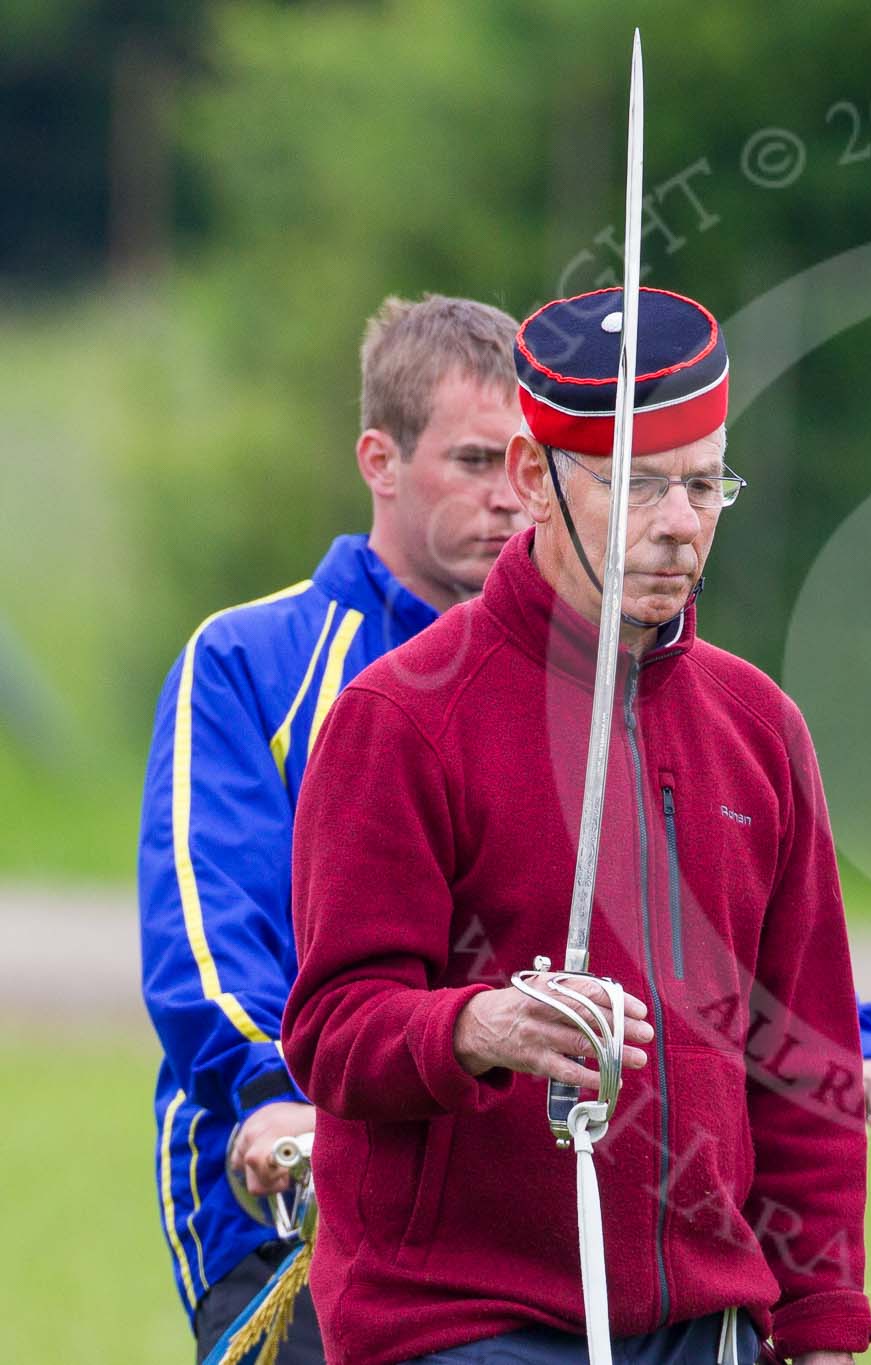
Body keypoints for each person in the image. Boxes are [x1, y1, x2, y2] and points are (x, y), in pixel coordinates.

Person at [282, 286, 871, 1364]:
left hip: (710, 1321)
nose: (681, 524)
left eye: (704, 484)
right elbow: (332, 1029)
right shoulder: (401, 717)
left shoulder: (761, 729)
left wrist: (821, 1322)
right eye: (638, 485)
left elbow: (804, 1062)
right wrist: (474, 1028)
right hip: (461, 1325)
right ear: (533, 480)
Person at [139, 293, 526, 1362]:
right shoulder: (246, 661)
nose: (510, 500)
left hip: (507, 1212)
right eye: (476, 461)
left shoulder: (574, 676)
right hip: (284, 1195)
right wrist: (271, 1094)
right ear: (379, 459)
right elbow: (205, 924)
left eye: (530, 467)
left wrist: (851, 1047)